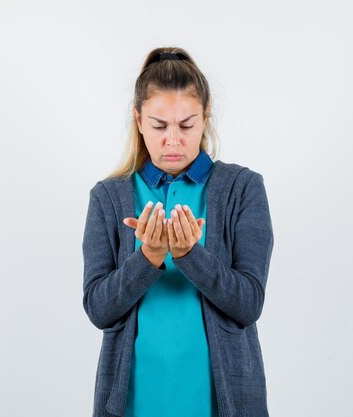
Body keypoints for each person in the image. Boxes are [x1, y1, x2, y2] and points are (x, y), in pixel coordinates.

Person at [82, 47, 274, 417]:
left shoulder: (243, 188)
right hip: (135, 402)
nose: (173, 140)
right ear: (138, 120)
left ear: (205, 118)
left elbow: (249, 304)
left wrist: (190, 256)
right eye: (159, 125)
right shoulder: (107, 197)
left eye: (186, 125)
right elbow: (98, 309)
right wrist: (148, 259)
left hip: (221, 403)